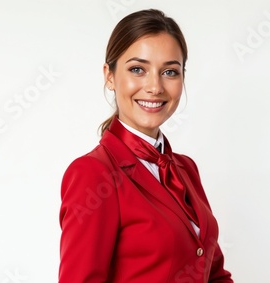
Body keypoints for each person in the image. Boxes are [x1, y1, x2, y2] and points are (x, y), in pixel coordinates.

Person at [59, 9, 234, 283]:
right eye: (137, 69)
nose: (155, 86)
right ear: (110, 76)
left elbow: (214, 274)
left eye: (169, 71)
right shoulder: (93, 173)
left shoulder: (186, 169)